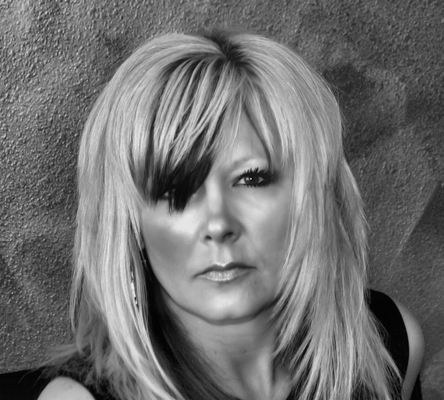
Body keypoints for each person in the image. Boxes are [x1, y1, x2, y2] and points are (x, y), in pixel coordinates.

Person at [37, 30, 424, 400]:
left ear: (307, 197)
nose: (219, 225)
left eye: (252, 179)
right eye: (175, 191)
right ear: (133, 225)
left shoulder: (388, 346)